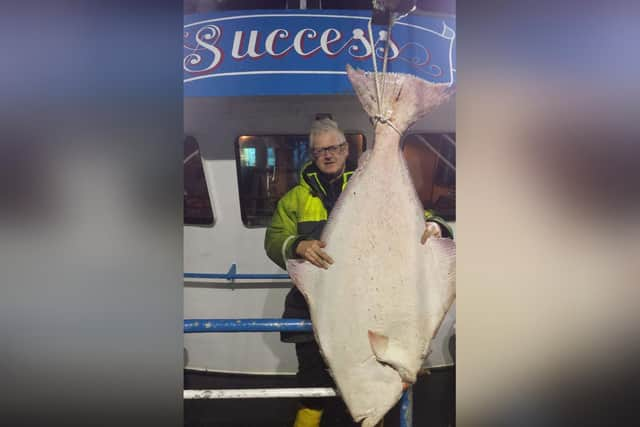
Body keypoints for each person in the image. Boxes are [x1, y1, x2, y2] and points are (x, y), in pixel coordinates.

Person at [264, 118, 452, 427]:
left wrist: (434, 226)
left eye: (335, 148)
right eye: (320, 150)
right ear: (312, 154)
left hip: (369, 306)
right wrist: (297, 245)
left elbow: (427, 217)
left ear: (346, 149)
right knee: (311, 382)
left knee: (372, 377)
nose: (328, 155)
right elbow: (273, 239)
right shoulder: (295, 198)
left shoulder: (372, 187)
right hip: (313, 309)